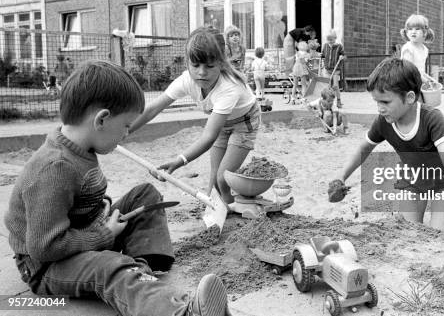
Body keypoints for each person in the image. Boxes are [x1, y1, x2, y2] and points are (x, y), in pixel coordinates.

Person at [3, 60, 230, 316]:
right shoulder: (54, 168)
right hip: (47, 265)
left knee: (146, 194)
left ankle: (143, 268)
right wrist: (104, 235)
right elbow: (45, 247)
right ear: (102, 119)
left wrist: (104, 208)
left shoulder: (81, 148)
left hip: (82, 231)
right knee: (109, 267)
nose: (126, 135)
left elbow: (81, 196)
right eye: (125, 126)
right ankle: (177, 310)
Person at [332, 58, 444, 228]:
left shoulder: (431, 118)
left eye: (385, 102)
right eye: (376, 102)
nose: (380, 108)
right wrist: (341, 177)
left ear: (409, 97)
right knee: (408, 229)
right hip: (413, 182)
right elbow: (364, 149)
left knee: (438, 232)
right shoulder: (383, 122)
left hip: (442, 184)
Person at [129, 27, 259, 205]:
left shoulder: (229, 87)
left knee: (223, 179)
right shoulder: (186, 80)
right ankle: (221, 209)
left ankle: (232, 212)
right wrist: (125, 130)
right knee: (214, 182)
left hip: (244, 122)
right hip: (221, 120)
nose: (202, 72)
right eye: (195, 65)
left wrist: (179, 161)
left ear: (221, 64)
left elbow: (208, 137)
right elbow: (153, 108)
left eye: (209, 66)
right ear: (188, 63)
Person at [400, 14, 435, 80]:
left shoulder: (424, 49)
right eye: (410, 29)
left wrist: (430, 79)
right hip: (407, 83)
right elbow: (408, 71)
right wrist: (423, 80)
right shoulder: (408, 48)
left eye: (417, 29)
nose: (413, 32)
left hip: (417, 81)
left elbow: (421, 71)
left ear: (424, 32)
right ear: (406, 32)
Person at [321, 29, 345, 108]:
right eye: (328, 40)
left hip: (336, 69)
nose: (330, 41)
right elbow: (323, 55)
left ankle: (338, 100)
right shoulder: (325, 46)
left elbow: (344, 55)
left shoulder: (339, 46)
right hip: (327, 69)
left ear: (335, 38)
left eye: (331, 40)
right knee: (328, 86)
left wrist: (342, 57)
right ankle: (329, 101)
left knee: (335, 85)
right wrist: (320, 56)